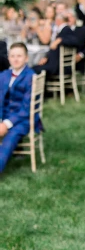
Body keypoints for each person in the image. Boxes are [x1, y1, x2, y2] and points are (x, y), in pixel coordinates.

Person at [0, 43, 42, 173]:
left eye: (19, 56)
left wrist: (6, 124)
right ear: (8, 58)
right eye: (12, 56)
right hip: (5, 115)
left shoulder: (30, 76)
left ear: (26, 58)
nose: (15, 59)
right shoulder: (4, 75)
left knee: (10, 138)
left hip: (24, 118)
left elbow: (27, 107)